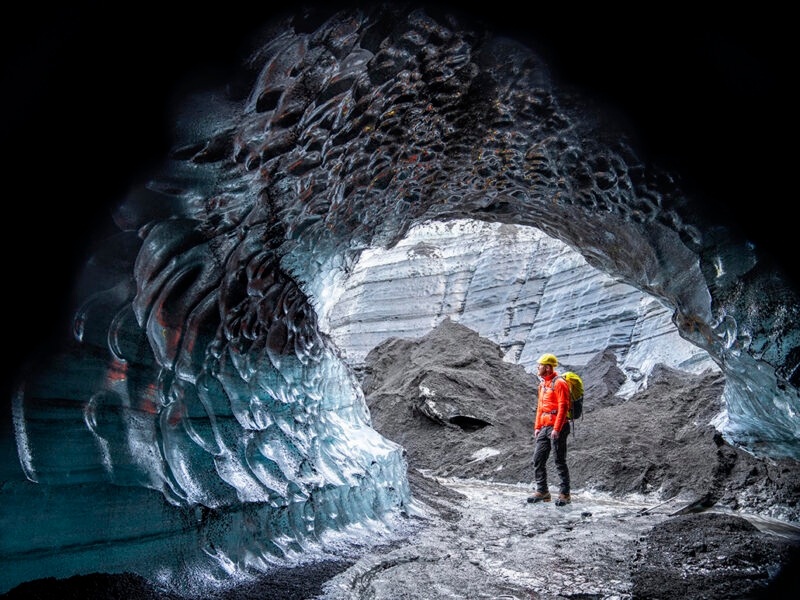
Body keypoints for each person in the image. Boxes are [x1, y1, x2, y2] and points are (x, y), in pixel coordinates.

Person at [528, 353, 571, 506]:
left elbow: (563, 407)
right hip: (545, 427)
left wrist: (557, 428)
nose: (537, 367)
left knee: (559, 460)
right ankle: (543, 491)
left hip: (557, 427)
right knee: (538, 459)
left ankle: (565, 494)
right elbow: (540, 407)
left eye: (539, 365)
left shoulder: (559, 383)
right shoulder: (542, 385)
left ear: (547, 367)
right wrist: (537, 427)